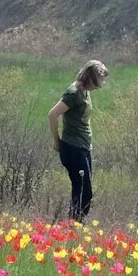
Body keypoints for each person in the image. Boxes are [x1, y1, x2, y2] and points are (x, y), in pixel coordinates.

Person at [48, 60, 107, 221]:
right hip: (73, 148)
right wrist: (56, 141)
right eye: (98, 80)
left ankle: (72, 227)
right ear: (90, 77)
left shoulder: (85, 91)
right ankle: (73, 228)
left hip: (83, 148)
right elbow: (52, 114)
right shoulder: (74, 93)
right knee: (84, 193)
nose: (100, 85)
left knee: (82, 192)